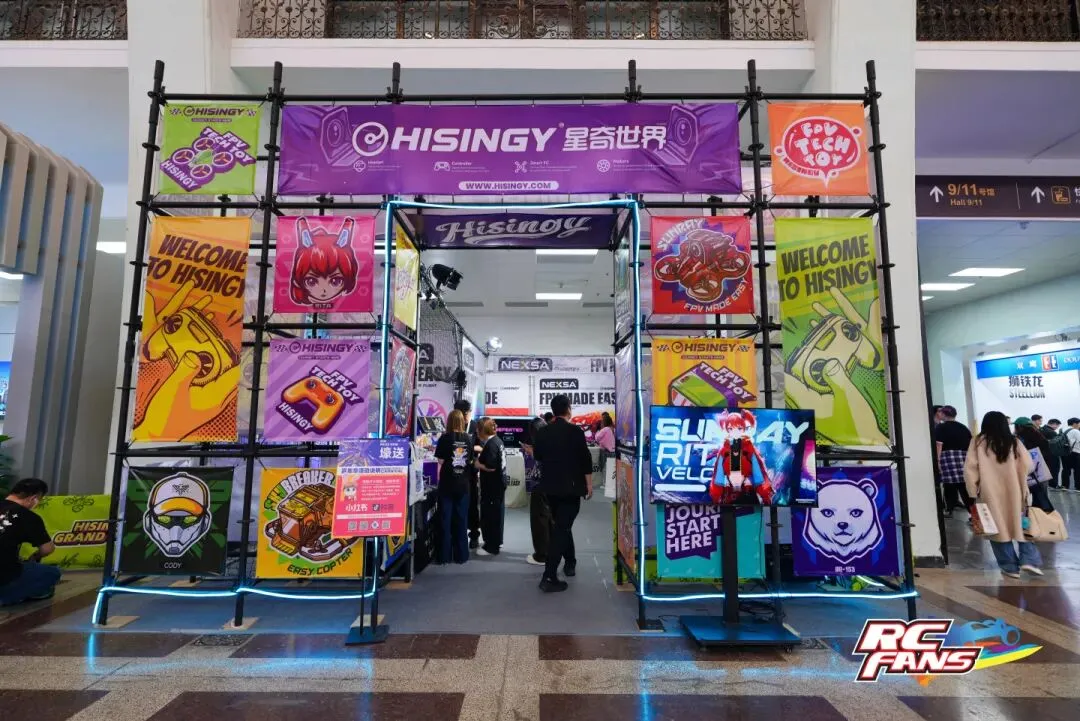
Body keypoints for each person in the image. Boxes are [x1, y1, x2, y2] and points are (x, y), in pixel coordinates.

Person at [964, 411, 1041, 579]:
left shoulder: (977, 442)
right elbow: (1028, 465)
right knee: (1022, 524)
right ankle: (1029, 560)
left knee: (996, 529)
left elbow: (970, 469)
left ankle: (1010, 567)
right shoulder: (1014, 441)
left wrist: (972, 491)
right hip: (1016, 490)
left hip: (989, 492)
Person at [533, 394, 594, 593]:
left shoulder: (543, 432)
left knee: (561, 525)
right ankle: (549, 575)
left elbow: (538, 455)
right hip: (571, 487)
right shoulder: (575, 431)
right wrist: (589, 484)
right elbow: (585, 459)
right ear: (568, 409)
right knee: (562, 529)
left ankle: (570, 562)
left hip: (550, 488)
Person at [0, 479, 59, 606]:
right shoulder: (29, 517)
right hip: (4, 576)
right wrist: (35, 556)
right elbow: (47, 549)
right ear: (34, 499)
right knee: (52, 572)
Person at [434, 410, 474, 565]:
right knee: (461, 520)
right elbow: (470, 459)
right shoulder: (468, 438)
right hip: (463, 484)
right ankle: (461, 556)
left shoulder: (445, 438)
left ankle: (444, 556)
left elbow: (440, 461)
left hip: (447, 484)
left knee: (445, 520)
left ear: (449, 421)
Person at [521, 414, 551, 567]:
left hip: (540, 486)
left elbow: (543, 461)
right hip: (550, 486)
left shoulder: (542, 444)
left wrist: (532, 452)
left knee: (539, 521)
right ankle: (547, 552)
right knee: (547, 520)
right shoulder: (551, 440)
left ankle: (541, 555)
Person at [453, 398, 483, 549]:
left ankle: (474, 535)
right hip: (454, 472)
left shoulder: (475, 426)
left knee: (472, 504)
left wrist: (468, 446)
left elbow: (482, 446)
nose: (466, 416)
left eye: (467, 413)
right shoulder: (452, 426)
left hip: (470, 472)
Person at [475, 417, 507, 556]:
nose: (476, 432)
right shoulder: (497, 441)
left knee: (490, 516)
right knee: (496, 515)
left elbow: (491, 466)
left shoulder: (491, 444)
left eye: (478, 429)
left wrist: (478, 464)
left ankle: (491, 546)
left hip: (492, 487)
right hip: (498, 485)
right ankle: (495, 542)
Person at [934, 406, 973, 517]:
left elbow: (939, 445)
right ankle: (973, 514)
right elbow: (970, 445)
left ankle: (949, 510)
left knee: (949, 485)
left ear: (943, 414)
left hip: (947, 459)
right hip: (963, 459)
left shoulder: (941, 427)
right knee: (964, 486)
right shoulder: (963, 428)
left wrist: (937, 460)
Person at [1014, 417, 1054, 513]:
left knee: (1026, 499)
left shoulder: (1019, 440)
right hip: (1041, 473)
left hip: (1027, 474)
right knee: (1041, 498)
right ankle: (1041, 517)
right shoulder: (1041, 437)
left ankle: (1029, 518)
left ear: (1019, 427)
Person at [1040, 418, 1065, 490]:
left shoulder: (1041, 429)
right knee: (1054, 469)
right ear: (1054, 424)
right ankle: (1053, 485)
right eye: (1057, 425)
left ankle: (1046, 485)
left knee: (1045, 470)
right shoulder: (1052, 432)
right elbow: (1057, 444)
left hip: (1043, 453)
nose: (1057, 427)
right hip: (1052, 454)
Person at [1063, 418, 1080, 493]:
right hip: (1075, 453)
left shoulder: (1063, 429)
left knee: (1066, 470)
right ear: (1075, 424)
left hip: (1065, 453)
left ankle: (1065, 486)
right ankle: (1078, 487)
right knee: (1078, 471)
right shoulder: (1076, 431)